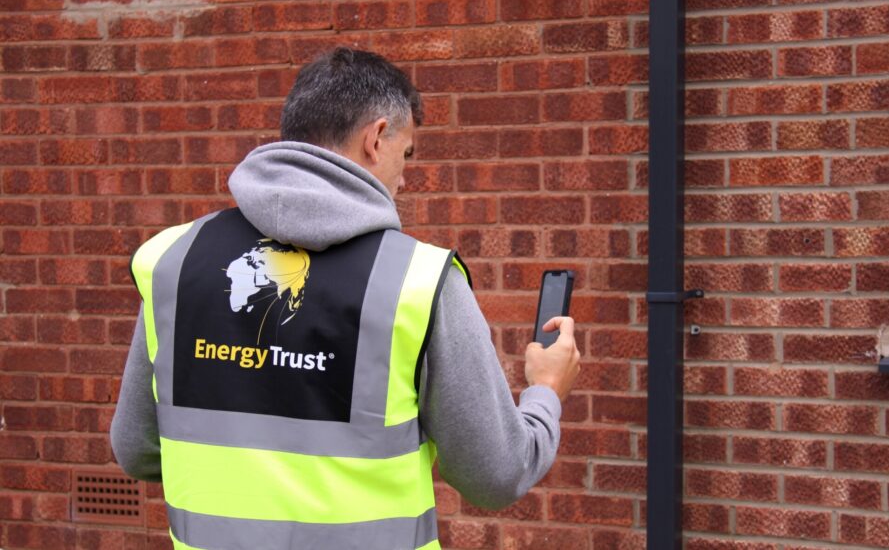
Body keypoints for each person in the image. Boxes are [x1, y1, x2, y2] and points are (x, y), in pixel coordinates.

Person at [110, 47, 581, 550]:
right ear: (376, 139)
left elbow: (137, 450)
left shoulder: (175, 260)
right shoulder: (418, 281)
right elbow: (496, 473)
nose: (404, 178)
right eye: (407, 155)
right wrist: (545, 392)